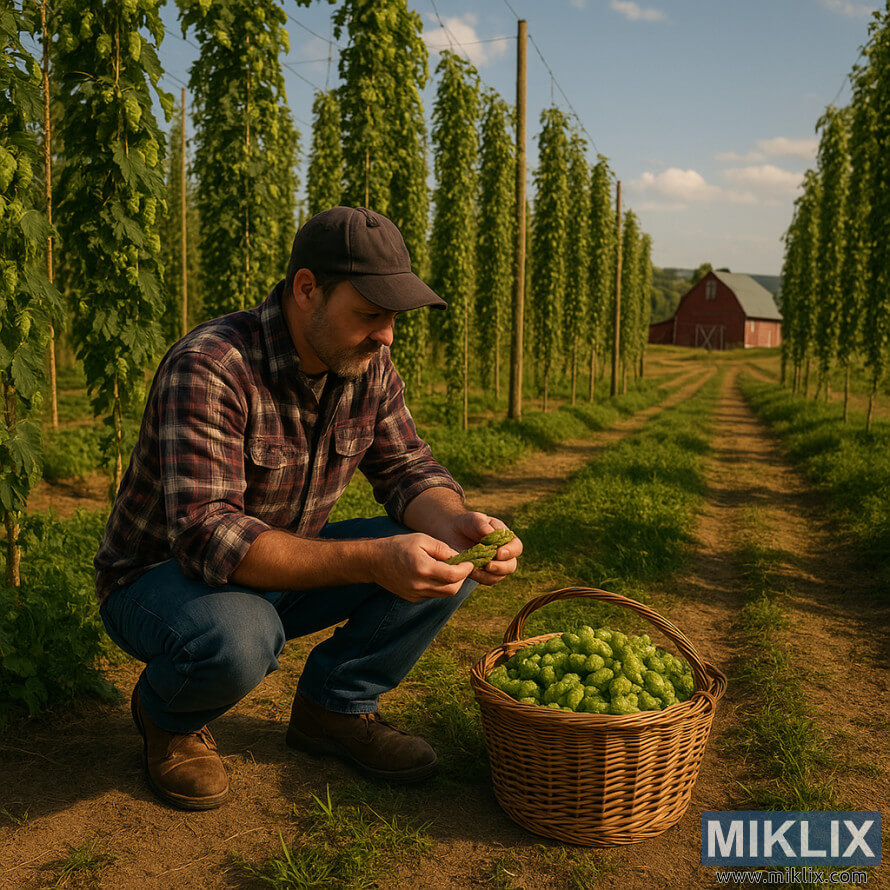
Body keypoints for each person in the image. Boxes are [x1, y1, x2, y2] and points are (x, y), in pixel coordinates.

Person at [94, 205, 523, 811]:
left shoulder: (367, 366)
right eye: (370, 314)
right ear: (306, 290)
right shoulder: (212, 365)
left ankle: (334, 707)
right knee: (242, 634)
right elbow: (210, 537)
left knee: (449, 556)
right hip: (163, 583)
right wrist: (374, 560)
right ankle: (168, 716)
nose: (387, 336)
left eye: (393, 318)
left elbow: (407, 468)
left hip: (278, 572)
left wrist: (456, 523)